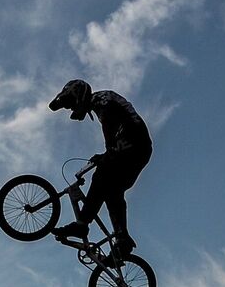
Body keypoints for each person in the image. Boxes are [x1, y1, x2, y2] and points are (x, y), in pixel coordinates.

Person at [47, 79, 152, 258]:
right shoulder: (100, 102)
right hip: (136, 147)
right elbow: (114, 132)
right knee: (113, 191)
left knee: (102, 176)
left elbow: (112, 128)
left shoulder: (102, 101)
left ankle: (82, 224)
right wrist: (106, 153)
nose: (71, 110)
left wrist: (108, 153)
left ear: (78, 96)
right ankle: (122, 240)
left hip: (134, 144)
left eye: (71, 104)